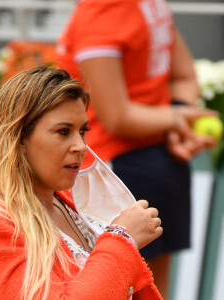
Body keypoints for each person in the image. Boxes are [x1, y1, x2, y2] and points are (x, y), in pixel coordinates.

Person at [0, 66, 164, 300]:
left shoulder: (69, 199)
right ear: (18, 138)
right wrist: (122, 239)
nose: (80, 146)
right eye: (63, 132)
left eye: (83, 131)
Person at [56, 0, 218, 298]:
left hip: (118, 172)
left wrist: (177, 121)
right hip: (163, 163)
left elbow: (116, 117)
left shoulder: (102, 11)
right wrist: (178, 119)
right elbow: (184, 77)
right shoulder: (150, 3)